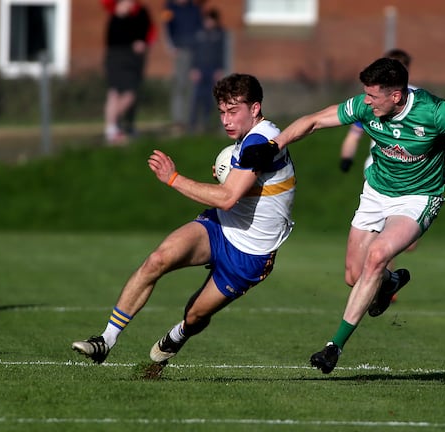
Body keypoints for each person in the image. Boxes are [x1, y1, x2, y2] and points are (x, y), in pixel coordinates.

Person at [239, 57, 445, 374]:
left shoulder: (434, 112)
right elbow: (315, 121)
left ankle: (332, 347)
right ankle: (390, 281)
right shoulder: (367, 106)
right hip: (376, 192)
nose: (366, 102)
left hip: (418, 198)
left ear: (396, 96)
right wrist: (273, 146)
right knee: (355, 276)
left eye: (373, 96)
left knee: (376, 256)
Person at [72, 73, 297, 365]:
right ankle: (106, 340)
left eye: (233, 111)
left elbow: (228, 197)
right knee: (157, 259)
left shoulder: (262, 138)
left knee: (195, 315)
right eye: (221, 112)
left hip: (251, 253)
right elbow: (236, 194)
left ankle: (178, 335)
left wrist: (173, 178)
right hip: (220, 226)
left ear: (255, 108)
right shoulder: (247, 140)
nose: (226, 120)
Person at [339, 49, 417, 302]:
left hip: (408, 176)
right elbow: (355, 132)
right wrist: (347, 157)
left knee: (387, 235)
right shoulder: (375, 99)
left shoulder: (412, 101)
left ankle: (384, 279)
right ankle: (386, 279)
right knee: (383, 233)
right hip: (378, 172)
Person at [101, 0, 156, 145]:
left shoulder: (140, 13)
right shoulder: (115, 18)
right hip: (116, 59)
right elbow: (113, 39)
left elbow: (147, 32)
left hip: (133, 61)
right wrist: (120, 16)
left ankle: (115, 125)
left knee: (130, 94)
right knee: (116, 93)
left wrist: (142, 42)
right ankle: (112, 127)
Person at [162, 0, 205, 134]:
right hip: (180, 51)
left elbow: (200, 31)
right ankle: (178, 120)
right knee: (179, 85)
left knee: (192, 86)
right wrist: (171, 47)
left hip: (195, 52)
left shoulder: (195, 9)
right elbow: (167, 27)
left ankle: (190, 119)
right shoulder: (170, 7)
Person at [186, 7, 227, 134]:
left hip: (213, 70)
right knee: (196, 97)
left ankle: (207, 123)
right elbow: (194, 53)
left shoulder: (220, 34)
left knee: (210, 98)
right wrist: (193, 69)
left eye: (210, 21)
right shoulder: (198, 33)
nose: (208, 23)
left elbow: (222, 53)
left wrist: (220, 69)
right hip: (200, 69)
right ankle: (192, 123)